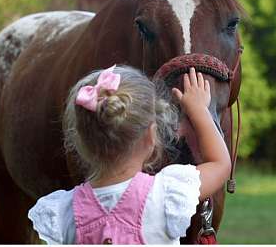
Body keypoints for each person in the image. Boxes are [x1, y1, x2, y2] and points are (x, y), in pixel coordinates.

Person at [28, 65, 231, 244]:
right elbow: (220, 164)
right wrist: (199, 110)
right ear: (152, 136)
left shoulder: (62, 212)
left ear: (80, 141)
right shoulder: (166, 195)